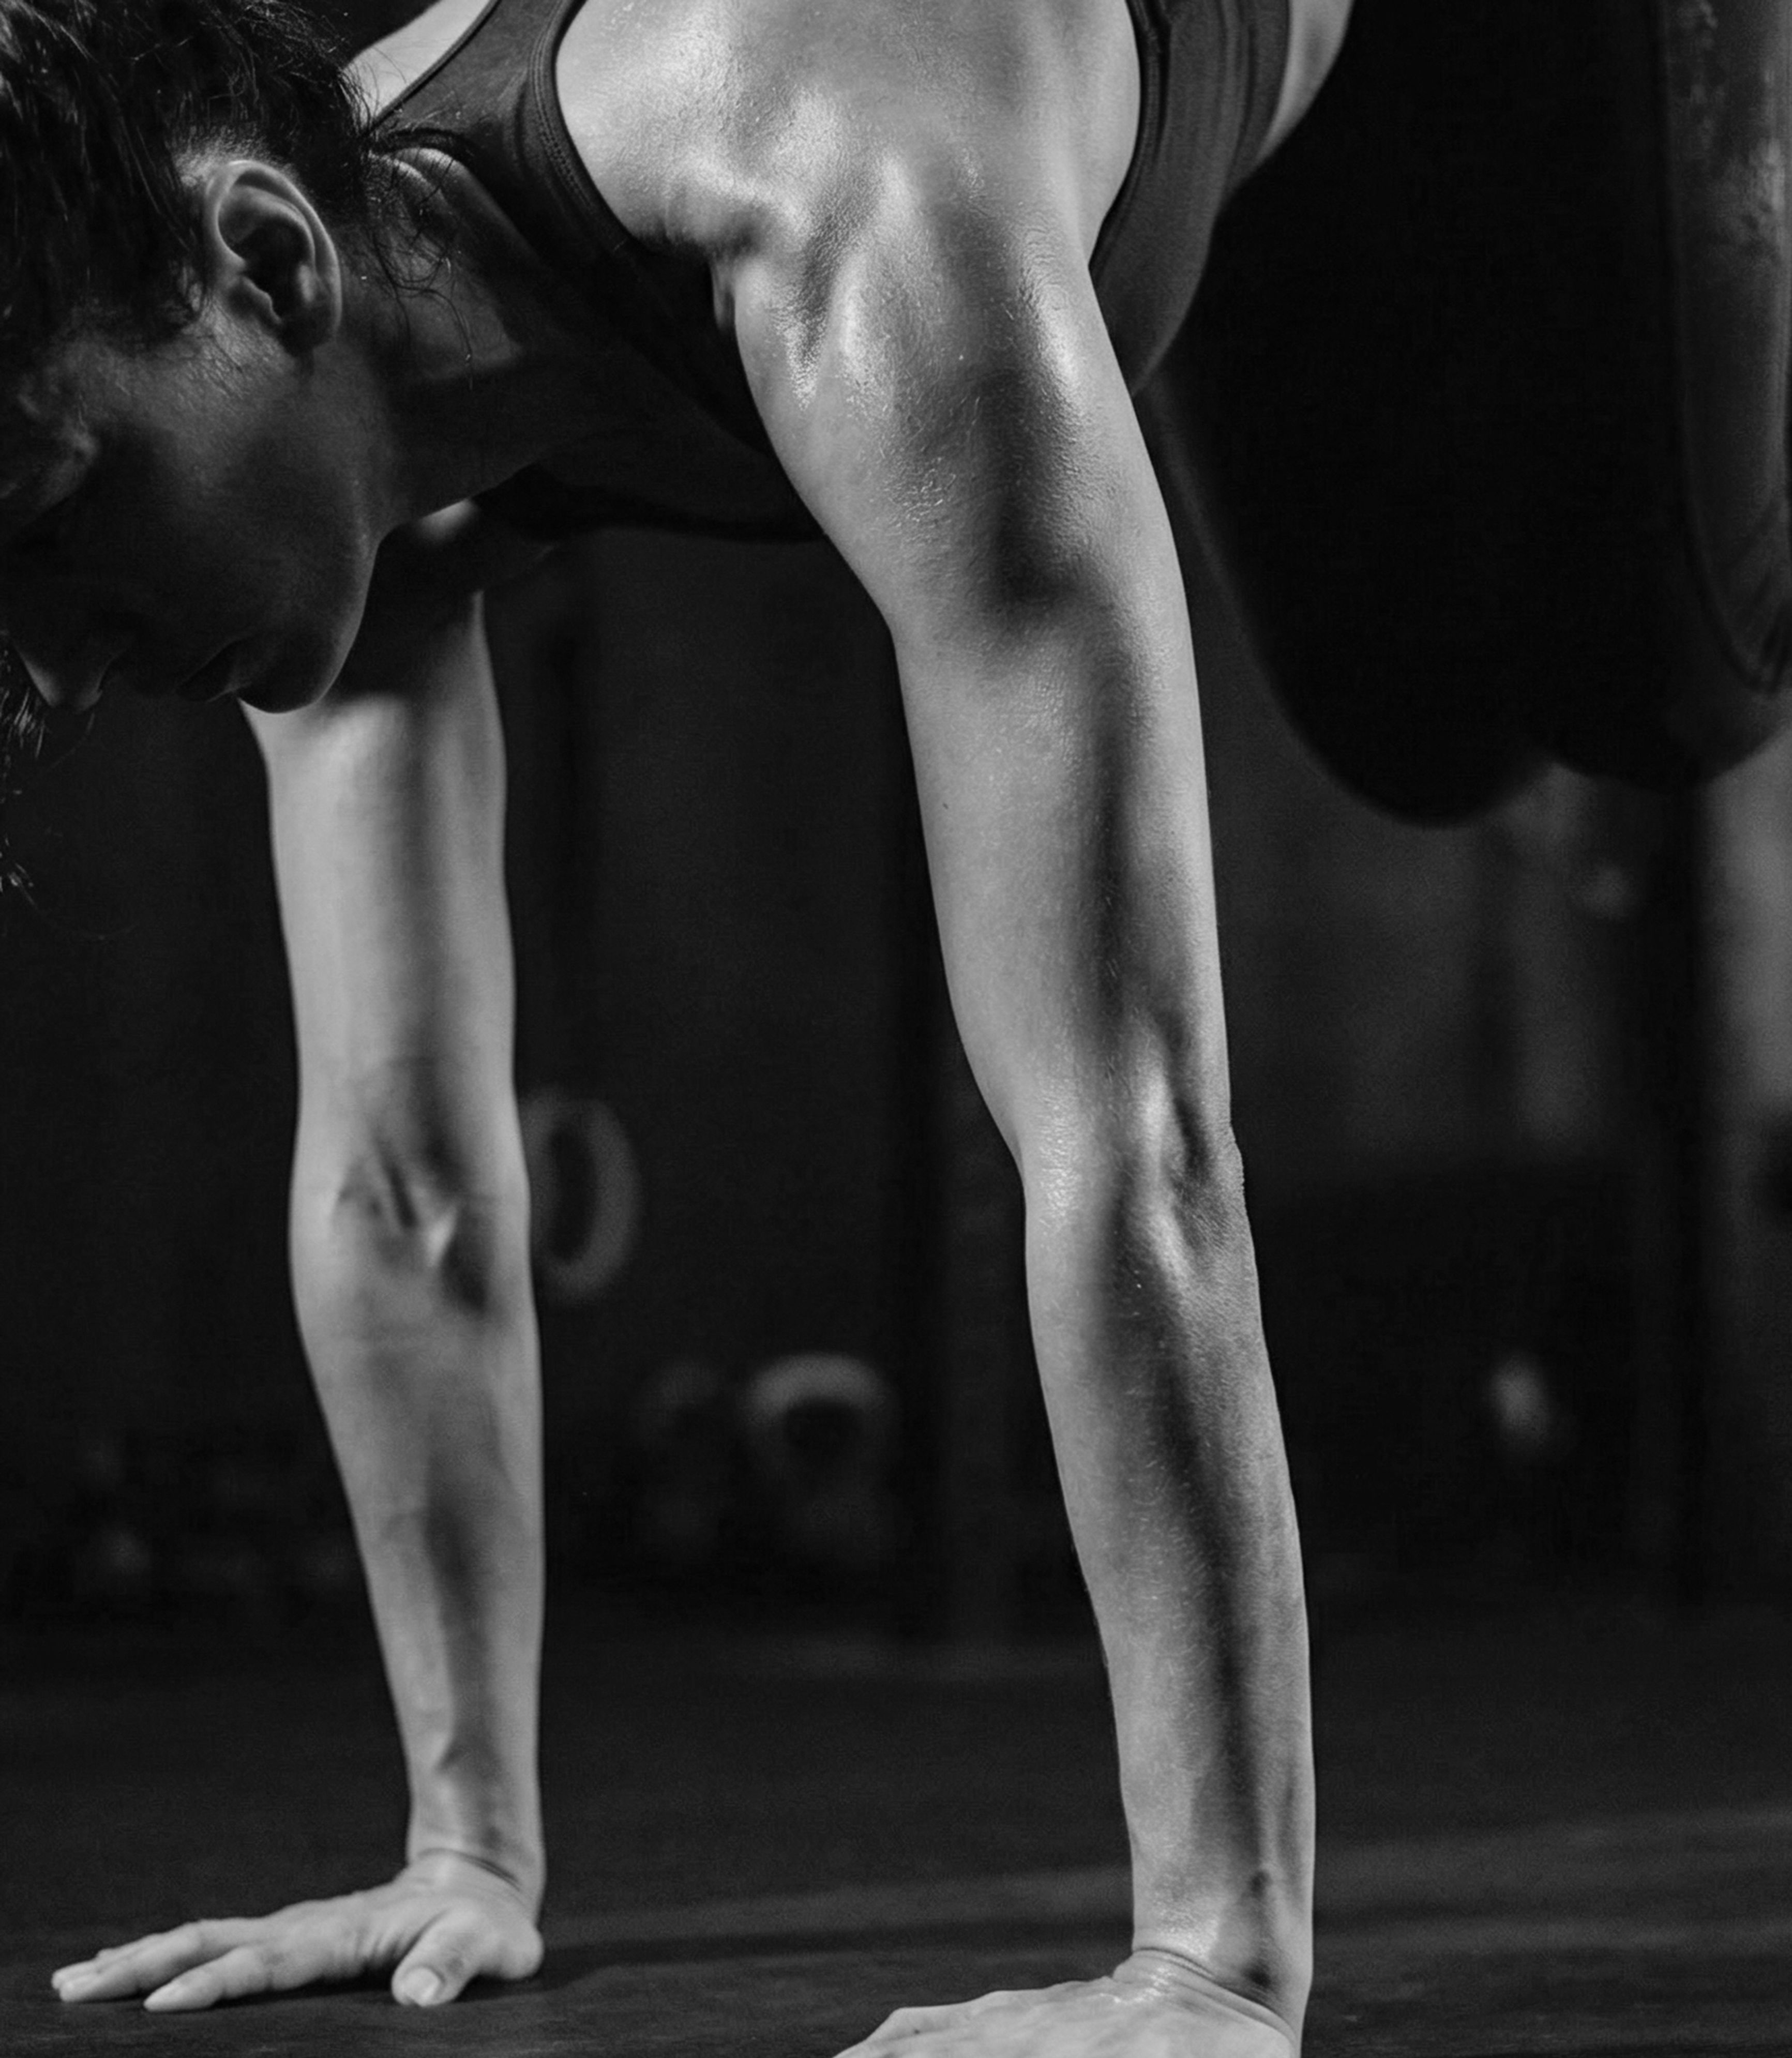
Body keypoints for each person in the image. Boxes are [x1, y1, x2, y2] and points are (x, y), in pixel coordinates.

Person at [3, 0, 1354, 2049]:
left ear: (266, 264)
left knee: (1645, 686)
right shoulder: (323, 432)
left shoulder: (829, 187)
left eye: (51, 502)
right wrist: (464, 1847)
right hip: (1202, 191)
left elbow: (1127, 1112)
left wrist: (1211, 1964)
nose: (43, 659)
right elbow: (402, 1180)